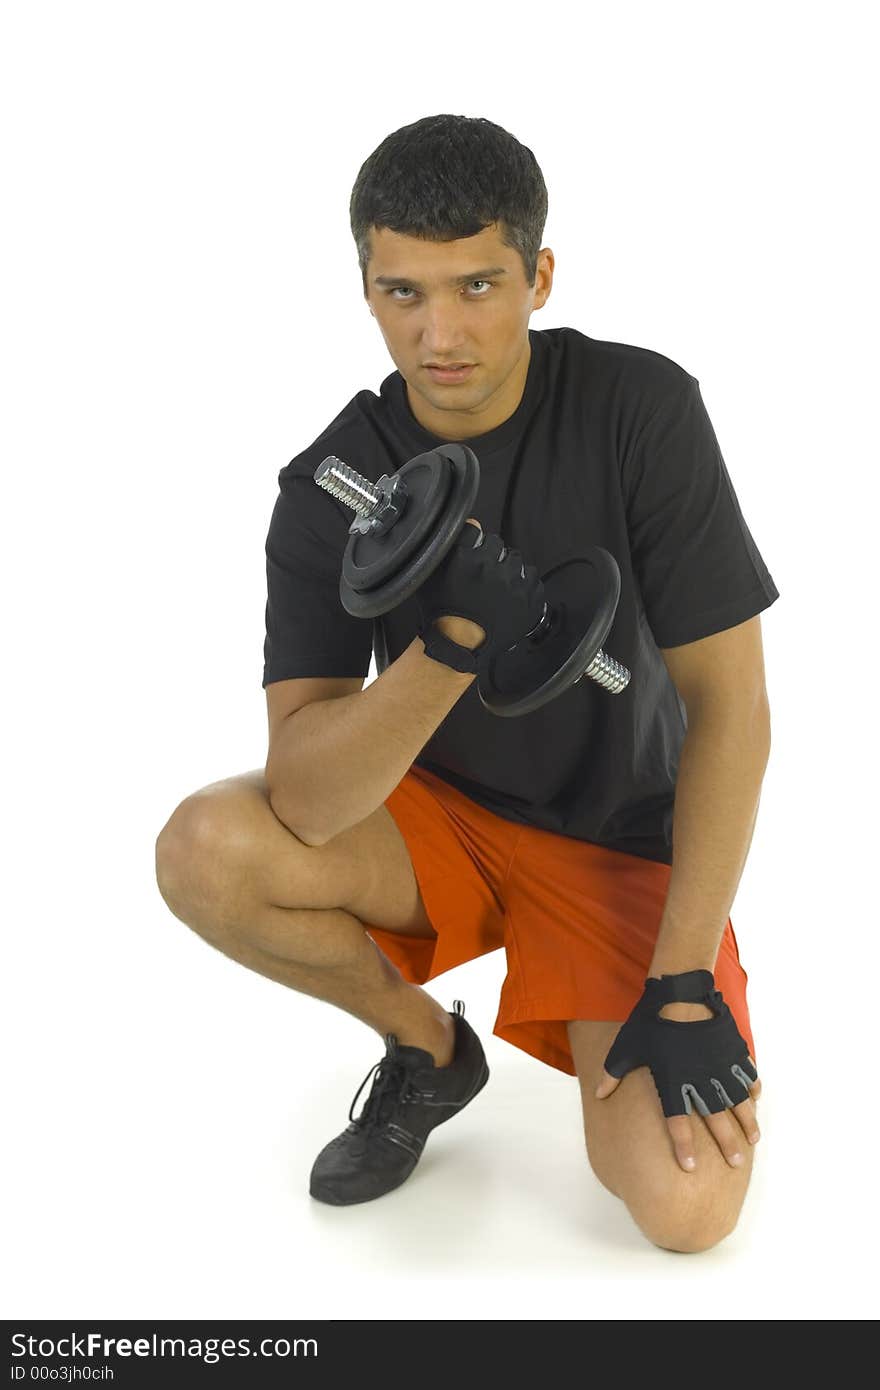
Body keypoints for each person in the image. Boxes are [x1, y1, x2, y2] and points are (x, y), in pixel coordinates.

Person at [155, 113, 779, 1253]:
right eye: (403, 292)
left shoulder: (639, 411)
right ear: (365, 290)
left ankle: (656, 988)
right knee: (205, 848)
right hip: (436, 824)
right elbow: (302, 799)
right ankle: (428, 1052)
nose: (440, 332)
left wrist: (683, 973)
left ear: (538, 275)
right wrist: (447, 648)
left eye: (478, 284)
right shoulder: (334, 484)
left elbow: (731, 707)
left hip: (619, 841)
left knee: (687, 1211)